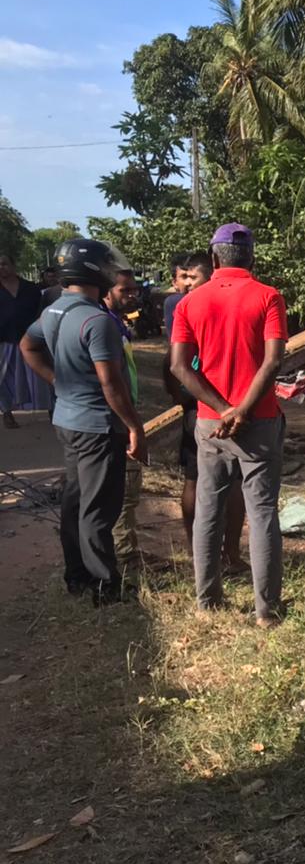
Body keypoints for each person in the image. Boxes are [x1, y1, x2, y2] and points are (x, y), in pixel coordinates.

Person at [171, 224, 287, 626]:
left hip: (209, 424)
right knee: (262, 512)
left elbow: (179, 367)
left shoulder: (190, 303)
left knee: (208, 509)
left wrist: (222, 409)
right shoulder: (268, 297)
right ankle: (266, 612)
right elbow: (273, 361)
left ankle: (208, 600)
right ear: (251, 257)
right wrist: (242, 410)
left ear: (214, 258)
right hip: (260, 421)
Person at [19, 240, 147, 605]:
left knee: (75, 501)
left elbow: (28, 347)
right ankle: (105, 586)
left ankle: (76, 576)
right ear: (96, 271)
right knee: (98, 508)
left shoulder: (54, 311)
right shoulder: (96, 321)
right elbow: (112, 384)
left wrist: (56, 380)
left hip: (67, 420)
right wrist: (135, 427)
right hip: (97, 427)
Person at [162, 251, 247, 572]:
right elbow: (172, 361)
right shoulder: (180, 305)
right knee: (202, 478)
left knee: (222, 478)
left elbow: (172, 362)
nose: (185, 284)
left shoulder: (188, 305)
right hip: (210, 402)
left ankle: (224, 553)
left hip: (211, 400)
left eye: (191, 277)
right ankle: (213, 553)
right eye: (181, 277)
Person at [101, 265, 145, 593]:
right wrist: (131, 423)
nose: (131, 295)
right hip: (117, 417)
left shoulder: (117, 322)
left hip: (125, 410)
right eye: (124, 291)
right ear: (107, 291)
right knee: (124, 489)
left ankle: (127, 551)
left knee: (127, 488)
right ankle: (126, 558)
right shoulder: (104, 324)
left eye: (133, 290)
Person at [0, 253, 52, 428]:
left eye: (4, 264)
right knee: (4, 379)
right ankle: (7, 413)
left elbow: (42, 312)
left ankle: (52, 411)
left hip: (31, 340)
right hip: (4, 341)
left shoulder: (31, 289)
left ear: (14, 266)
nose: (1, 268)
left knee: (41, 374)